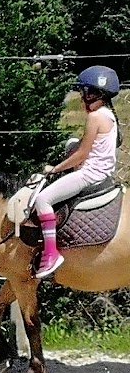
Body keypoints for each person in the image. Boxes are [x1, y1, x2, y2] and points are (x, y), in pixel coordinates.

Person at [33, 65, 122, 278]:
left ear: (96, 94)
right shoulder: (108, 115)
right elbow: (84, 145)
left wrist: (54, 170)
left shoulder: (94, 118)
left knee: (42, 200)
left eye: (85, 92)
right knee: (71, 142)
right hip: (103, 171)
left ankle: (52, 253)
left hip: (90, 175)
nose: (83, 98)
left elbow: (82, 155)